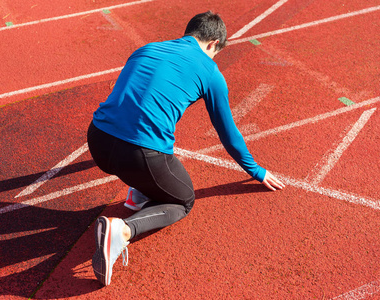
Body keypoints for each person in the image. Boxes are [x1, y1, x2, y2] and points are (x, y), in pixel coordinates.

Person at [87, 11, 285, 286]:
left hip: (97, 140)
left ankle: (139, 192)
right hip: (139, 155)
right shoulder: (210, 73)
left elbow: (128, 98)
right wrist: (256, 170)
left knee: (146, 158)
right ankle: (122, 231)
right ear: (214, 43)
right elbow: (227, 133)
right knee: (183, 200)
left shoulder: (148, 49)